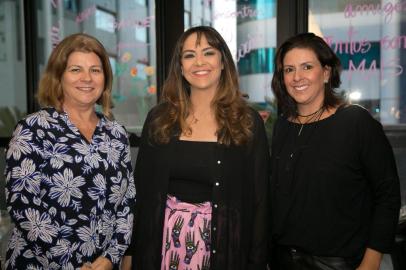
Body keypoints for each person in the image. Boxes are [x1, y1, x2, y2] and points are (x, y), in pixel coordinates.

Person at [122, 26, 270, 270]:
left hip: (225, 251)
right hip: (161, 251)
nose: (199, 62)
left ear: (223, 62)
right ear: (180, 67)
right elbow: (141, 194)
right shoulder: (159, 118)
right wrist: (131, 253)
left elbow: (260, 202)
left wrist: (258, 261)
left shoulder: (247, 121)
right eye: (189, 55)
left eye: (208, 53)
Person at [269, 32, 401, 270]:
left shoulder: (356, 122)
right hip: (283, 260)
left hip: (338, 263)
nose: (297, 77)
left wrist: (372, 261)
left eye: (307, 67)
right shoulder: (282, 126)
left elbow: (387, 196)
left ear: (326, 73)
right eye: (289, 70)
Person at [4, 33, 135, 270]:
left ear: (105, 78)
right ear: (59, 77)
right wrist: (70, 264)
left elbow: (127, 203)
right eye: (76, 69)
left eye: (95, 70)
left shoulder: (116, 133)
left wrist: (111, 257)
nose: (87, 78)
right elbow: (23, 206)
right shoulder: (33, 129)